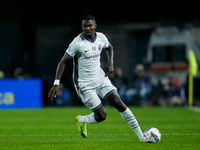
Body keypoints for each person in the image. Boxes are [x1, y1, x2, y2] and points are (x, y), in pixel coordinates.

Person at [48, 15, 144, 142]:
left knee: (119, 103)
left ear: (95, 26)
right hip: (84, 84)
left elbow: (109, 47)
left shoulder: (101, 37)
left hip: (100, 78)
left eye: (90, 25)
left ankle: (141, 136)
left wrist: (111, 61)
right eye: (84, 26)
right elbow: (62, 62)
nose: (87, 28)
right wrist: (56, 83)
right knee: (102, 116)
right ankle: (81, 120)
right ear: (82, 27)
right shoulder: (77, 43)